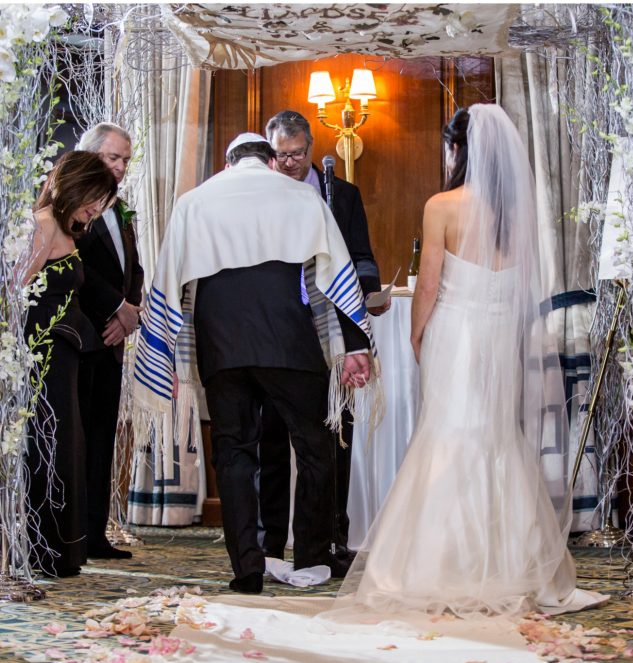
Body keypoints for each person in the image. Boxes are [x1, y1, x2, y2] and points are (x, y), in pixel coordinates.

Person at [329, 105, 608, 617]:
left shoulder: (443, 204)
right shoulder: (514, 213)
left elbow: (430, 281)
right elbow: (523, 284)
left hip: (456, 331)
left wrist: (416, 335)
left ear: (457, 149)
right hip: (501, 330)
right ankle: (510, 560)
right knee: (496, 435)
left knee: (451, 434)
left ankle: (443, 564)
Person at [135, 133, 378, 594]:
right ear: (269, 160)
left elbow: (169, 280)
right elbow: (334, 273)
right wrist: (353, 344)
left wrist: (164, 351)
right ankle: (311, 559)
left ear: (228, 163)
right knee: (314, 448)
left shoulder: (194, 201)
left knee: (234, 453)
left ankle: (247, 566)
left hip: (221, 346)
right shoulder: (300, 194)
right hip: (289, 340)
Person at [259, 110, 386, 561]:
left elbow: (361, 256)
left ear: (311, 149)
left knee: (336, 435)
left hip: (331, 331)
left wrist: (369, 295)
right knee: (271, 437)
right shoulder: (260, 196)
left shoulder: (341, 194)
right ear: (269, 153)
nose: (290, 162)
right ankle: (269, 542)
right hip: (278, 331)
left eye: (297, 154)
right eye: (281, 154)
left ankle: (334, 535)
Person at [23, 150, 118, 577]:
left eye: (103, 200)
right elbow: (13, 295)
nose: (97, 208)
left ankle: (62, 550)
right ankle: (43, 549)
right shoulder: (41, 227)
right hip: (39, 354)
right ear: (74, 186)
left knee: (65, 447)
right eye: (95, 196)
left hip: (63, 355)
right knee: (48, 447)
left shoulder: (67, 232)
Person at [75, 122, 144, 560]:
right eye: (111, 158)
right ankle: (73, 534)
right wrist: (116, 309)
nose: (118, 167)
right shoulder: (71, 203)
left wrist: (130, 311)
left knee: (103, 437)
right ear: (89, 155)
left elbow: (130, 268)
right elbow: (79, 268)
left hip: (113, 337)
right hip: (83, 334)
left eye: (123, 160)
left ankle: (97, 533)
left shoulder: (119, 208)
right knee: (79, 438)